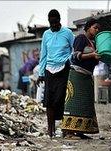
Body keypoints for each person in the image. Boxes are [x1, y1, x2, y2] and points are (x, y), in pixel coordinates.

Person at [61, 18, 101, 139]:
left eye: (98, 28)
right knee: (74, 103)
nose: (97, 30)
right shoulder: (81, 38)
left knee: (85, 104)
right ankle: (69, 132)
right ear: (88, 27)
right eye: (95, 27)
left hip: (87, 76)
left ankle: (80, 130)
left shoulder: (93, 42)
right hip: (77, 75)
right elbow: (76, 56)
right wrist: (92, 55)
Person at [37, 9, 75, 138]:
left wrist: (69, 60)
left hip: (64, 68)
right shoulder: (46, 34)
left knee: (62, 98)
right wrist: (41, 73)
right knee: (49, 100)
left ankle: (65, 128)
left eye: (55, 22)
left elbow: (74, 50)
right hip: (49, 70)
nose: (53, 25)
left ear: (59, 21)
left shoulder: (68, 33)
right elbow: (43, 54)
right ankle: (50, 129)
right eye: (51, 23)